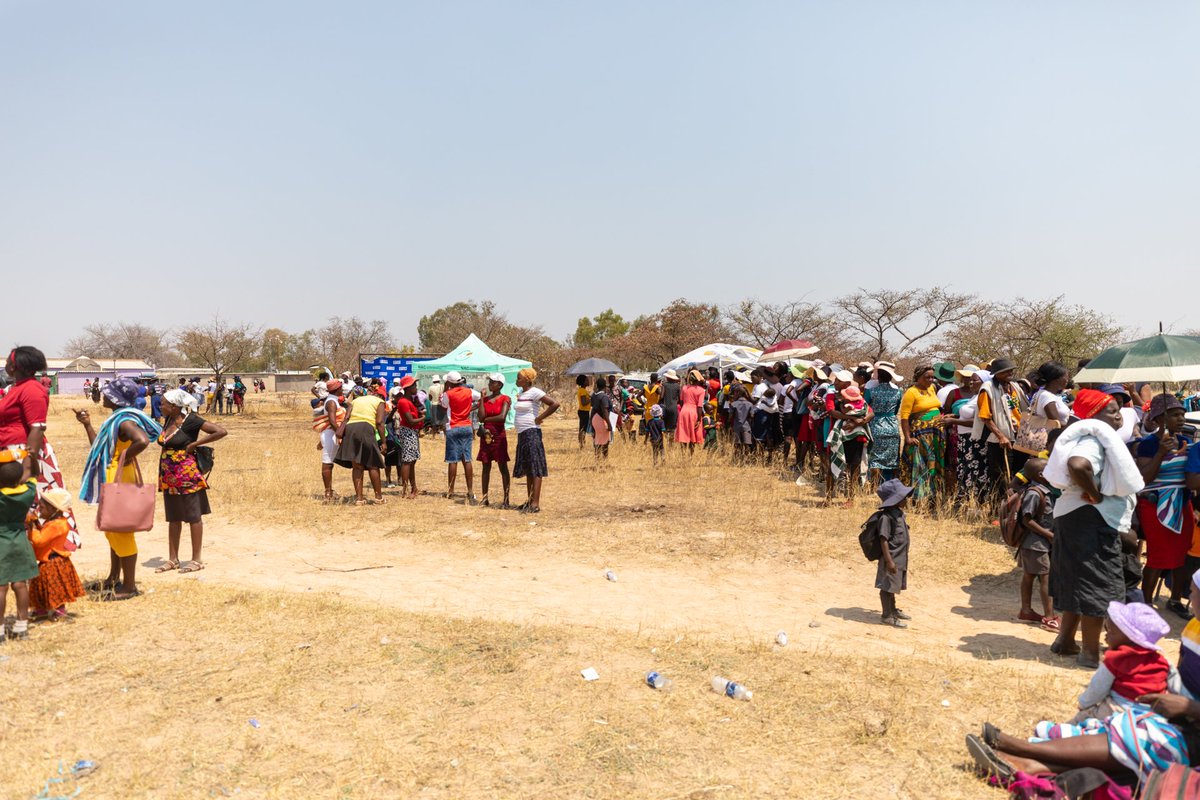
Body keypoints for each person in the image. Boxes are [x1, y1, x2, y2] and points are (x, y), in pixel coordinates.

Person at [967, 575, 1200, 784]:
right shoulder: (1193, 627)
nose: (1189, 595)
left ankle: (1026, 750)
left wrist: (1190, 707)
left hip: (1190, 728)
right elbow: (1178, 675)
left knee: (1139, 735)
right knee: (1133, 729)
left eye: (1194, 591)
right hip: (1178, 719)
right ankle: (1031, 765)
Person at [1045, 388, 1143, 668]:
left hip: (1074, 517)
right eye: (1111, 411)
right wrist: (1096, 494)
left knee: (1077, 579)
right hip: (1089, 518)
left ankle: (1065, 641)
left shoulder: (1092, 436)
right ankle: (1089, 652)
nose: (1119, 417)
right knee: (1098, 582)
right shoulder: (1092, 438)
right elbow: (1078, 465)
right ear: (1093, 415)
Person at [76, 377, 160, 600]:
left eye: (107, 393)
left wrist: (124, 457)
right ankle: (114, 577)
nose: (103, 396)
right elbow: (100, 447)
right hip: (115, 474)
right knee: (112, 527)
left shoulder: (124, 421)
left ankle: (129, 586)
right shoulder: (116, 420)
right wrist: (87, 424)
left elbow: (142, 440)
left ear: (116, 399)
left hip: (119, 475)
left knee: (121, 530)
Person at [1035, 602, 1170, 732]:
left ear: (1130, 638)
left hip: (1117, 710)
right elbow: (1178, 689)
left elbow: (1097, 688)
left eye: (1111, 632)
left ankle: (1060, 731)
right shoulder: (1162, 661)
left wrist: (1084, 704)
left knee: (1083, 718)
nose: (1106, 635)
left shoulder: (1115, 659)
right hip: (1150, 714)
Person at [0, 347, 80, 550]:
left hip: (27, 455)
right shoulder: (18, 387)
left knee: (39, 503)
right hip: (13, 453)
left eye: (9, 361)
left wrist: (28, 464)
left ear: (17, 365)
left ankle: (47, 551)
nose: (6, 365)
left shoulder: (32, 390)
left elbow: (37, 426)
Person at [155, 388, 227, 574]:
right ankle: (173, 559)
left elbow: (220, 431)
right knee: (173, 516)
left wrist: (195, 444)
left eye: (163, 403)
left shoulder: (191, 421)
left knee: (194, 516)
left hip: (187, 475)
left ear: (174, 406)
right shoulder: (168, 420)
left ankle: (196, 560)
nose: (159, 406)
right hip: (169, 475)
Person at [1136, 393, 1194, 618]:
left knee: (1182, 554)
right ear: (1160, 419)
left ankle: (1175, 599)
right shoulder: (1148, 444)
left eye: (1182, 414)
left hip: (1182, 503)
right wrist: (1161, 453)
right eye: (1174, 415)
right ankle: (1147, 603)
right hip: (1155, 505)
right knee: (1158, 555)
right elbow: (1144, 479)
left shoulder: (1184, 442)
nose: (1181, 419)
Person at [26, 487, 85, 622]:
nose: (39, 509)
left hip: (53, 564)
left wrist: (31, 528)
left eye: (42, 507)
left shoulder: (57, 525)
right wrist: (36, 523)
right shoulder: (54, 522)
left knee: (56, 589)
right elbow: (45, 534)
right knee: (41, 587)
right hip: (50, 561)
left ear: (53, 509)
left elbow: (40, 540)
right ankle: (41, 610)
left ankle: (59, 612)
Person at [1013, 458, 1057, 630]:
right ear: (1041, 475)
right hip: (1035, 543)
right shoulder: (1034, 493)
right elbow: (1026, 519)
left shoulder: (1044, 491)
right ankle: (1049, 617)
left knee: (1029, 575)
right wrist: (1048, 534)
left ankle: (1026, 610)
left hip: (1036, 543)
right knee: (1045, 578)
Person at [0, 455, 39, 641]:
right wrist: (31, 456)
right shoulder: (28, 493)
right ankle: (21, 625)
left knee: (1, 588)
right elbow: (34, 474)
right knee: (20, 584)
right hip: (20, 541)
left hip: (1, 543)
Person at [975, 358, 1026, 500]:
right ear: (997, 373)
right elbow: (985, 417)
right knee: (1001, 476)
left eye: (1011, 370)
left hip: (1018, 436)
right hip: (1000, 439)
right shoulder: (988, 388)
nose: (1010, 373)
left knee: (1018, 473)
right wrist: (1001, 436)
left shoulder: (1014, 387)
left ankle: (1016, 510)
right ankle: (999, 511)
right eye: (1005, 371)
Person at [900, 364, 951, 505]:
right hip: (921, 434)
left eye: (932, 377)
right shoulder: (911, 392)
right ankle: (918, 498)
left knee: (934, 464)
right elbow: (904, 417)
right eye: (927, 377)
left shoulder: (932, 388)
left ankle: (934, 497)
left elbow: (936, 407)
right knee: (921, 465)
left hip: (935, 434)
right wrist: (908, 437)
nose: (930, 380)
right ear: (918, 377)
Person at [334, 378, 388, 505]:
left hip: (351, 429)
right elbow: (379, 422)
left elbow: (347, 417)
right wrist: (384, 442)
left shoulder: (356, 400)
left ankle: (359, 499)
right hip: (365, 428)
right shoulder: (380, 401)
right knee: (372, 464)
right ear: (380, 395)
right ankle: (378, 497)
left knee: (357, 465)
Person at [512, 368, 559, 513]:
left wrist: (540, 418)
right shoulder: (521, 394)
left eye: (519, 378)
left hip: (532, 432)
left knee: (535, 467)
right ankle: (530, 500)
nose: (516, 380)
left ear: (527, 379)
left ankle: (535, 503)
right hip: (522, 433)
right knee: (528, 467)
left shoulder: (535, 392)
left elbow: (554, 404)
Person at [873, 479, 914, 628]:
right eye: (903, 497)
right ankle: (886, 615)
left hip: (900, 557)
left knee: (893, 586)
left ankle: (893, 610)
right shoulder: (886, 517)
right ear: (895, 500)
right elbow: (883, 539)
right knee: (887, 587)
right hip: (891, 558)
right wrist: (889, 561)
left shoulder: (898, 513)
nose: (906, 499)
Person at [440, 371, 480, 503]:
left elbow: (443, 406)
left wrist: (446, 387)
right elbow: (481, 397)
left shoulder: (448, 394)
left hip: (453, 427)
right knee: (466, 459)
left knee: (453, 460)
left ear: (450, 382)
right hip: (466, 426)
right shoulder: (469, 392)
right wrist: (472, 408)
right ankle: (470, 491)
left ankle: (450, 491)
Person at [476, 374, 512, 507]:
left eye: (493, 382)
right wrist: (481, 399)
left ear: (500, 385)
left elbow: (502, 417)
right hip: (486, 435)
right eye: (490, 381)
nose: (490, 384)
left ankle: (506, 499)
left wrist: (486, 420)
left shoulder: (505, 399)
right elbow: (480, 417)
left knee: (503, 466)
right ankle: (485, 498)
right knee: (486, 466)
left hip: (498, 435)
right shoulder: (485, 400)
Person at [865, 362, 903, 482]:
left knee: (875, 459)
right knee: (892, 458)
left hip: (876, 425)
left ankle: (874, 485)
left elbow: (865, 407)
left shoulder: (871, 391)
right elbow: (896, 410)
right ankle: (890, 483)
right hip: (892, 426)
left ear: (879, 376)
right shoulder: (898, 392)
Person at [314, 380, 346, 504]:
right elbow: (332, 421)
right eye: (341, 387)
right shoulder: (332, 402)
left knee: (329, 462)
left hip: (331, 434)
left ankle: (329, 491)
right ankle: (327, 493)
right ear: (337, 389)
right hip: (331, 434)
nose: (342, 389)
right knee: (327, 462)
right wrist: (340, 434)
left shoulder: (333, 400)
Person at [393, 376, 424, 498]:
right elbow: (411, 421)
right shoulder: (403, 402)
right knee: (407, 461)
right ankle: (405, 490)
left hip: (412, 432)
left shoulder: (410, 401)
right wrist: (423, 418)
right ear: (408, 388)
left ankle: (414, 488)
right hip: (408, 432)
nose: (416, 388)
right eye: (414, 386)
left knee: (411, 461)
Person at [674, 370, 707, 454]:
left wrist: (684, 408)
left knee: (683, 432)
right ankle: (690, 455)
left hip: (683, 411)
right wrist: (699, 419)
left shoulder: (684, 388)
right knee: (693, 434)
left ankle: (683, 453)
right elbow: (699, 406)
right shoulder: (701, 390)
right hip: (694, 412)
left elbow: (681, 401)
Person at [590, 376, 613, 459]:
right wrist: (609, 424)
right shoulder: (604, 397)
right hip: (601, 420)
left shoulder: (594, 395)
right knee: (605, 442)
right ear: (605, 386)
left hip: (594, 419)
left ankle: (597, 459)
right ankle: (604, 460)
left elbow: (593, 407)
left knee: (598, 439)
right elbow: (605, 411)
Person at [660, 370, 681, 440]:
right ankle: (671, 444)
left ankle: (665, 440)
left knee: (665, 427)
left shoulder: (664, 385)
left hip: (665, 408)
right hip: (674, 408)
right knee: (672, 428)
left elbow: (661, 396)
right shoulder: (678, 386)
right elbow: (680, 398)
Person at [641, 374, 662, 443]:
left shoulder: (645, 387)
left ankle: (646, 440)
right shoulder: (656, 387)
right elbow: (661, 396)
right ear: (656, 379)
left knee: (648, 426)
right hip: (655, 410)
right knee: (656, 427)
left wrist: (643, 404)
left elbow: (638, 396)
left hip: (647, 410)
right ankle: (656, 440)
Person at [574, 375, 592, 448]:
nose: (588, 381)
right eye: (587, 380)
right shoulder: (582, 391)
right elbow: (584, 402)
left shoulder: (583, 390)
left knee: (583, 428)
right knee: (583, 428)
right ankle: (581, 443)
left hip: (584, 411)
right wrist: (591, 397)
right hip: (583, 411)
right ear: (583, 382)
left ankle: (582, 442)